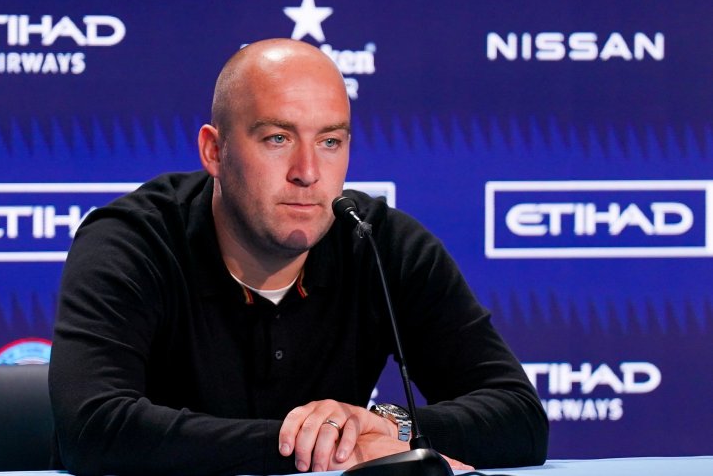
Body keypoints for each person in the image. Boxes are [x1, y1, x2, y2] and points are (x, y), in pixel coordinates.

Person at [49, 38, 548, 476]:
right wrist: (322, 449)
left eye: (330, 141)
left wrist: (382, 425)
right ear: (213, 151)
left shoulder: (379, 244)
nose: (308, 172)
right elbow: (94, 428)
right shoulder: (132, 241)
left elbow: (520, 418)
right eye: (277, 139)